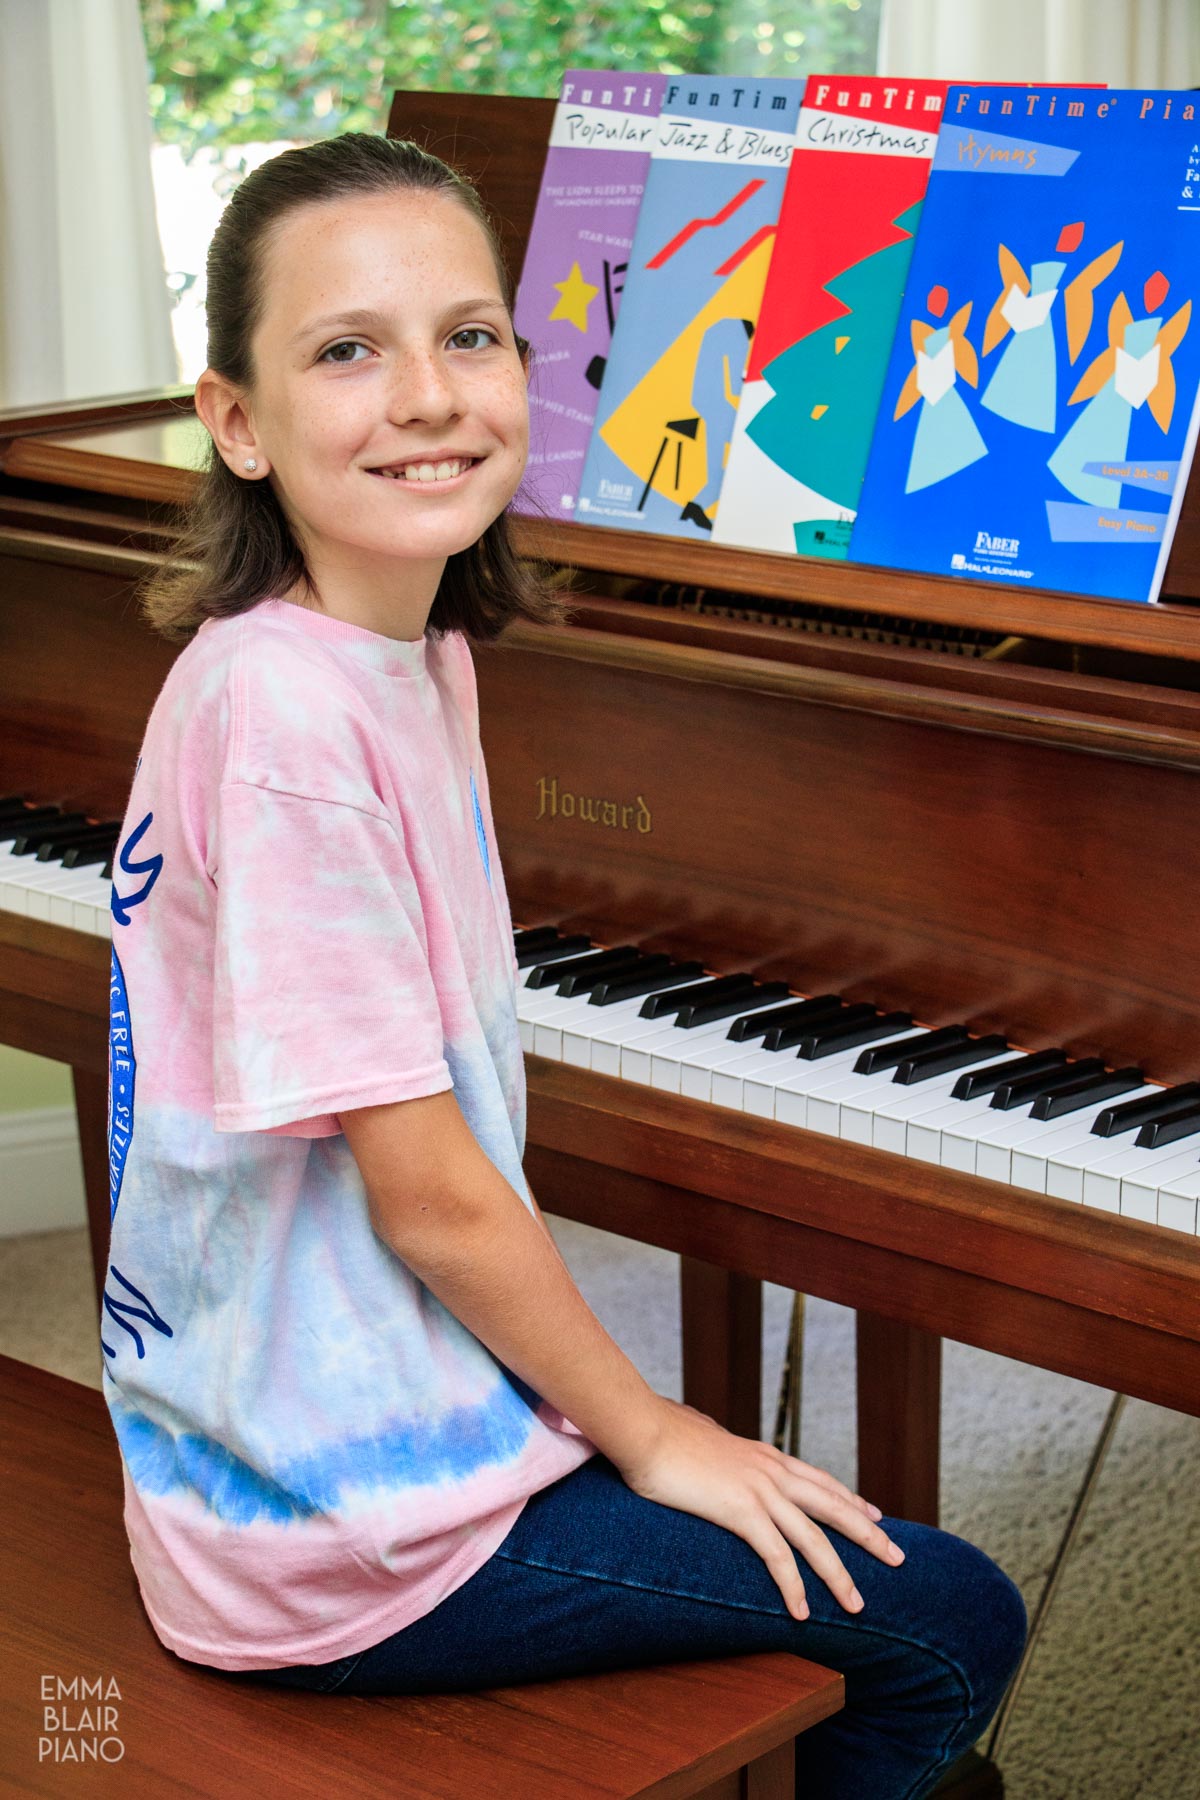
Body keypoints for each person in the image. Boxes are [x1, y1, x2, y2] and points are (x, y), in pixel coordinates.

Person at [101, 130, 1025, 1798]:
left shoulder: (399, 643)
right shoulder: (294, 722)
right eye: (345, 350)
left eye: (470, 336)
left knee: (807, 1547)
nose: (432, 395)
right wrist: (657, 1432)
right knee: (949, 1619)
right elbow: (436, 1197)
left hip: (301, 1441)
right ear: (233, 418)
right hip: (335, 1540)